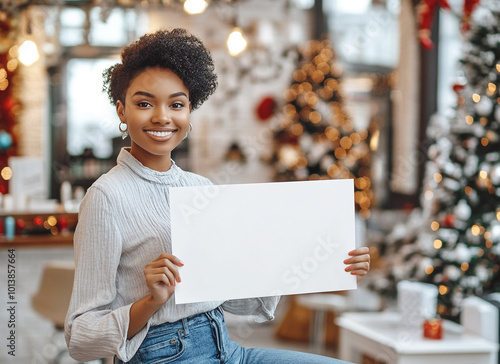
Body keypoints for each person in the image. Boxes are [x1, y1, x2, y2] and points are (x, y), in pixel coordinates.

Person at [64, 28, 370, 364]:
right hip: (165, 356)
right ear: (122, 112)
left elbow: (232, 299)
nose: (162, 116)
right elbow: (81, 339)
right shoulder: (106, 197)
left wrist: (332, 261)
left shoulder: (201, 189)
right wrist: (152, 301)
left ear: (189, 112)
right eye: (144, 103)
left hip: (227, 347)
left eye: (176, 104)